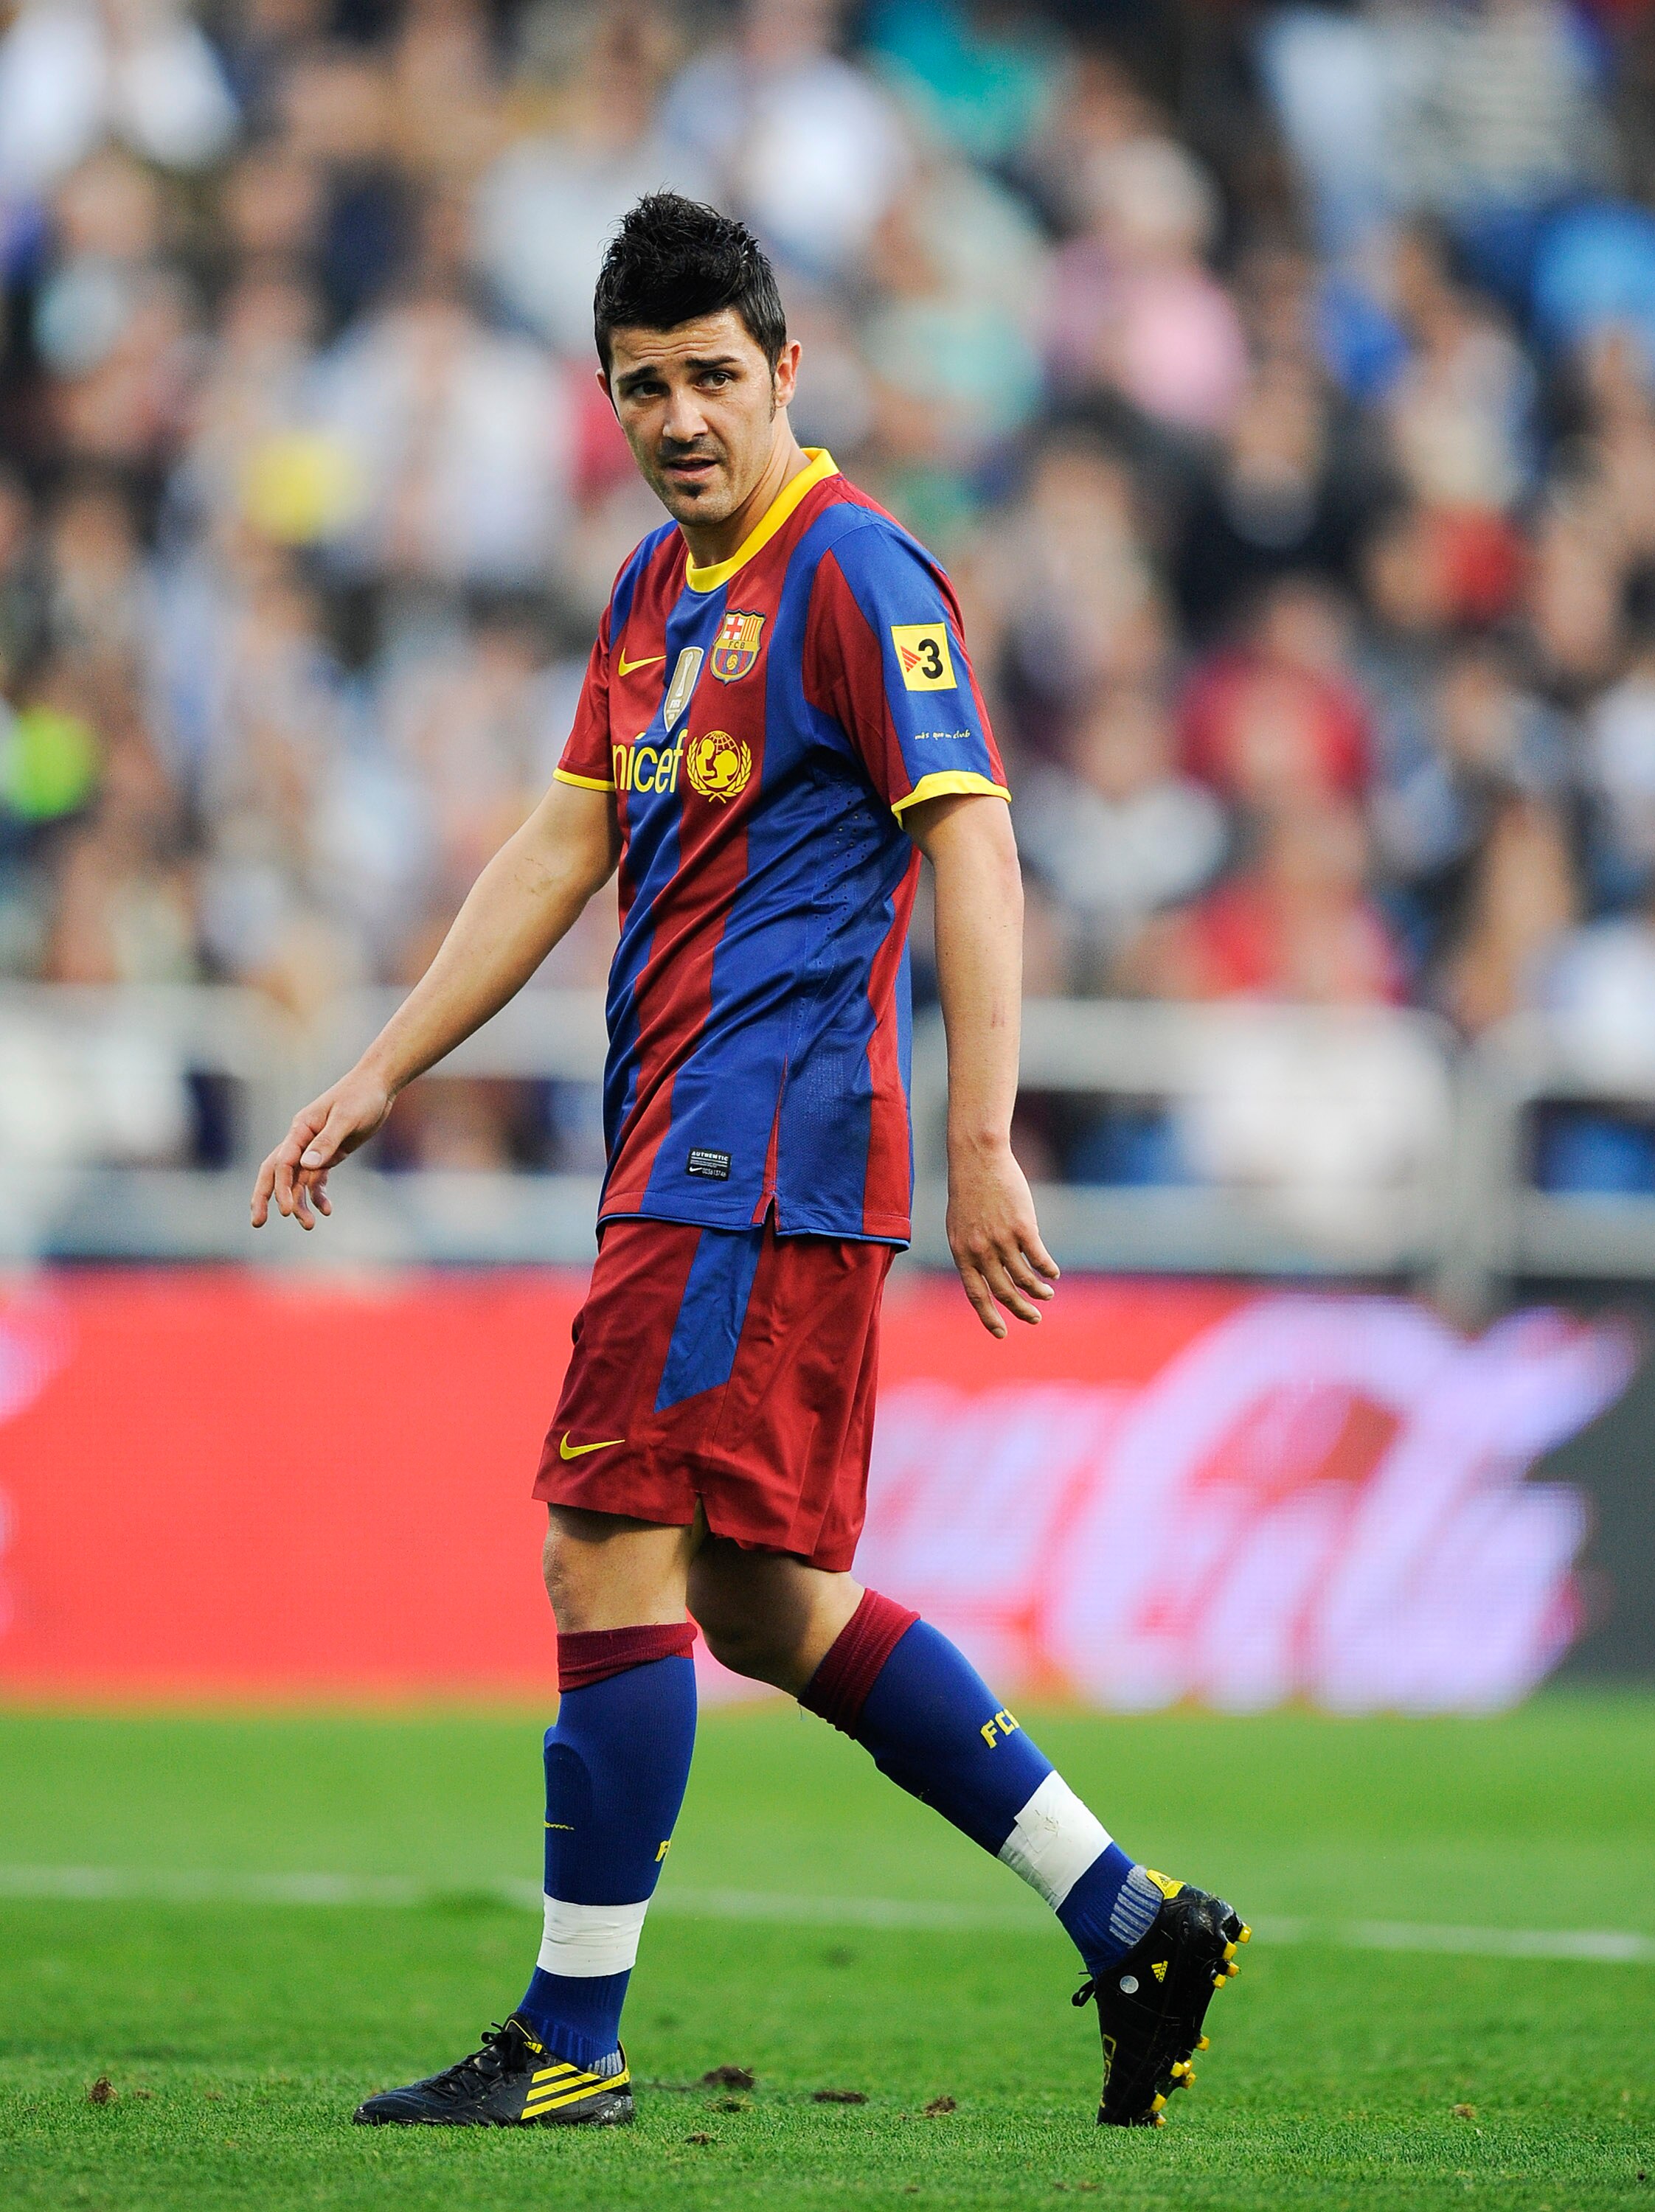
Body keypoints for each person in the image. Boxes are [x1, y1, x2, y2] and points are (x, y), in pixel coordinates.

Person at [250, 191, 1246, 2135]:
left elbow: (973, 838)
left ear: (786, 369)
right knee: (766, 1606)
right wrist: (380, 1065)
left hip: (758, 1147)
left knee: (599, 1541)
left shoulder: (858, 571)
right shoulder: (649, 589)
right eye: (644, 387)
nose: (682, 418)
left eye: (713, 376)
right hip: (695, 1141)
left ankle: (571, 2037)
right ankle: (1128, 1917)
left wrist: (983, 1138)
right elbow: (560, 845)